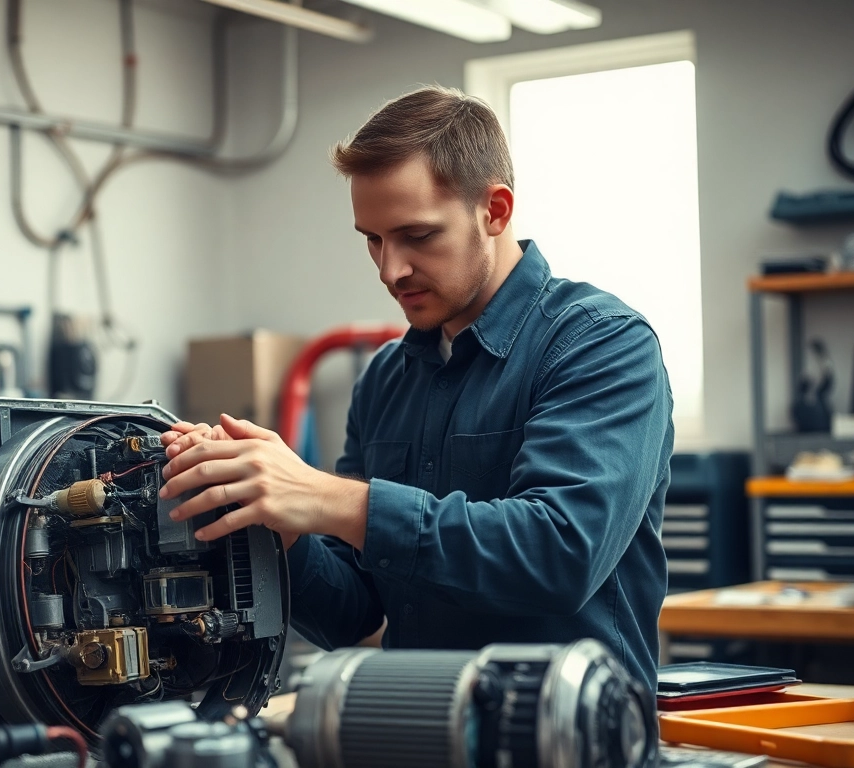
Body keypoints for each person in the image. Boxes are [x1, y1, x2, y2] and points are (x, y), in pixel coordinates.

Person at [157, 85, 672, 688]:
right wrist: (283, 530)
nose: (389, 269)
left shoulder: (602, 344)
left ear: (495, 210)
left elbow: (559, 555)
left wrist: (332, 499)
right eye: (372, 239)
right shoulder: (385, 379)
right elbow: (354, 613)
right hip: (418, 722)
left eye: (417, 236)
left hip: (569, 730)